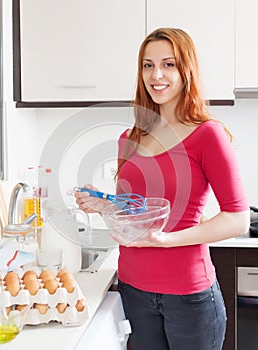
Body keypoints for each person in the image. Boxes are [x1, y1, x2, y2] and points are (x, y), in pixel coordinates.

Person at [74, 28, 250, 350]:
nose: (156, 75)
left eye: (169, 64)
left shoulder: (207, 135)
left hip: (189, 297)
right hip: (133, 290)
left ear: (186, 70)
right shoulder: (129, 139)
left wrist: (168, 240)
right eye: (147, 65)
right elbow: (134, 209)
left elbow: (237, 219)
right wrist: (103, 205)